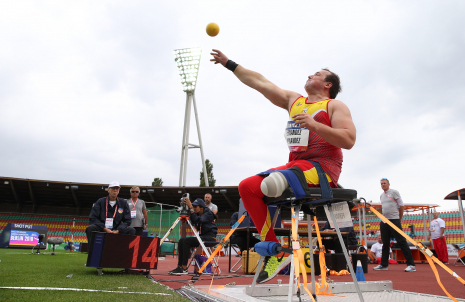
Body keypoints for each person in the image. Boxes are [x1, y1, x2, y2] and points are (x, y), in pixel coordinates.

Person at [210, 49, 356, 283]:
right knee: (247, 186)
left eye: (317, 74)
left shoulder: (334, 106)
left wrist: (314, 125)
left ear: (328, 84)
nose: (310, 75)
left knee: (275, 182)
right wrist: (229, 64)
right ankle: (275, 251)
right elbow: (259, 82)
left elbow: (348, 140)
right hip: (295, 167)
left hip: (322, 169)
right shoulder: (294, 101)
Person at [375, 178, 416, 272]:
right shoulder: (381, 195)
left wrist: (399, 218)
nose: (383, 185)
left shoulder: (394, 192)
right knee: (385, 243)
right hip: (385, 221)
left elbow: (401, 205)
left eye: (384, 183)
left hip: (394, 220)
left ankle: (411, 265)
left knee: (401, 241)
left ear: (388, 184)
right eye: (381, 184)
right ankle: (383, 264)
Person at [169, 198, 218, 275]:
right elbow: (193, 221)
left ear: (201, 207)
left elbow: (198, 220)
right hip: (202, 237)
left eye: (196, 207)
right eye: (193, 207)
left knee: (186, 241)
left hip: (210, 238)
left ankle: (184, 268)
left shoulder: (208, 213)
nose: (194, 208)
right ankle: (180, 266)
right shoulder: (198, 214)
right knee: (182, 240)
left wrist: (191, 208)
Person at [86, 181, 135, 247]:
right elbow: (93, 218)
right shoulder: (100, 202)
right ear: (108, 190)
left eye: (117, 189)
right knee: (90, 228)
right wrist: (104, 228)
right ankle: (92, 254)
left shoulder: (123, 203)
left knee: (131, 230)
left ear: (118, 191)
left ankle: (125, 253)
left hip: (117, 228)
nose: (115, 190)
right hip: (102, 228)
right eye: (113, 188)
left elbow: (127, 220)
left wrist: (118, 230)